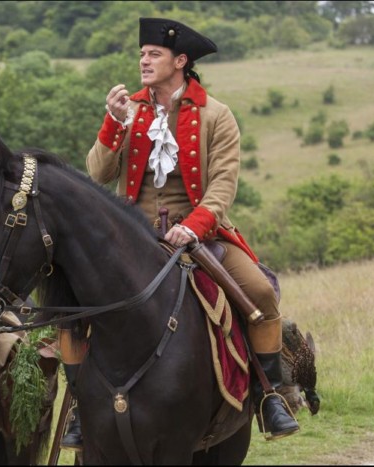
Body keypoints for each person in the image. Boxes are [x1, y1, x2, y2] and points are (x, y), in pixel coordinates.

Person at [84, 17, 300, 442]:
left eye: (154, 55)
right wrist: (114, 121)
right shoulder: (130, 111)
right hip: (134, 236)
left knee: (257, 292)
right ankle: (79, 407)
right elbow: (97, 173)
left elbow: (222, 187)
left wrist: (193, 227)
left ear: (180, 61)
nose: (144, 61)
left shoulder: (216, 115)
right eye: (142, 54)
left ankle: (270, 395)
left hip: (200, 233)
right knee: (76, 303)